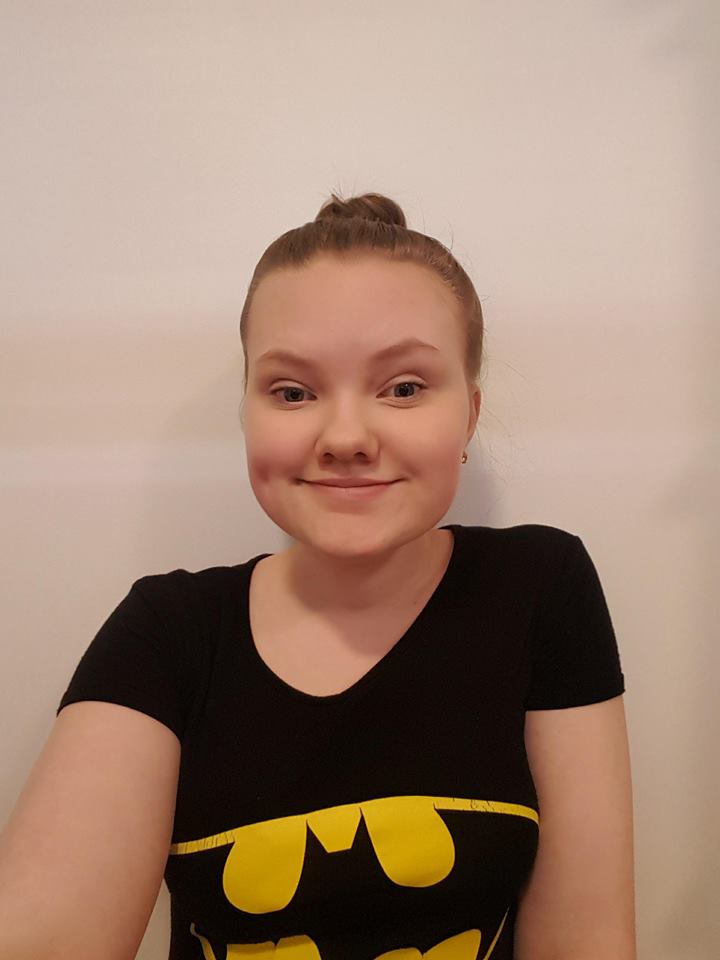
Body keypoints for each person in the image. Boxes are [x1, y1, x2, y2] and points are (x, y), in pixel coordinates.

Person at [0, 192, 636, 960]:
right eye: (293, 392)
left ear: (469, 415)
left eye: (404, 387)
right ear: (248, 415)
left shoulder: (540, 589)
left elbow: (587, 941)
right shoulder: (167, 631)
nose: (345, 437)